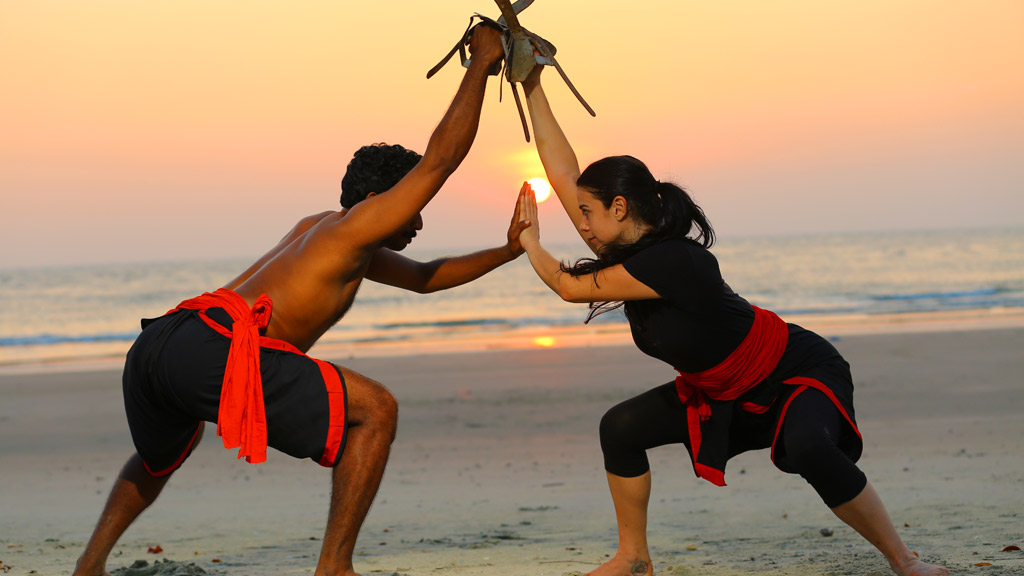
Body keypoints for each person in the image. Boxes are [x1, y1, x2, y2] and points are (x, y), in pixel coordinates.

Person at [73, 26, 515, 576]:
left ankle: (88, 568)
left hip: (164, 340)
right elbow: (438, 162)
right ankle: (335, 567)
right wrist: (481, 64)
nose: (418, 219)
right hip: (214, 344)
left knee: (159, 457)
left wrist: (509, 249)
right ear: (380, 201)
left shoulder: (327, 231)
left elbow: (425, 278)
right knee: (376, 409)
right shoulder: (354, 229)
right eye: (410, 206)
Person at [510, 65, 949, 576]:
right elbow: (565, 171)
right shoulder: (622, 246)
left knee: (809, 448)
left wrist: (528, 242)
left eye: (586, 212)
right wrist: (532, 83)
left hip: (793, 370)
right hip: (721, 387)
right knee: (621, 428)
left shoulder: (671, 260)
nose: (580, 224)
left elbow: (568, 287)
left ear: (621, 206)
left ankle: (905, 561)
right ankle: (633, 559)